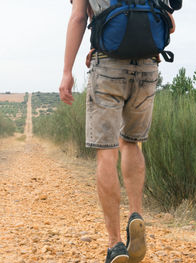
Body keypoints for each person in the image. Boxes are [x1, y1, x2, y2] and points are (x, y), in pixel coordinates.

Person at [59, 1, 177, 262]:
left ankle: (115, 245)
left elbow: (78, 18)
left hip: (108, 67)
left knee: (107, 153)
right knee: (131, 143)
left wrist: (67, 72)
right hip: (147, 68)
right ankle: (136, 215)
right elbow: (171, 25)